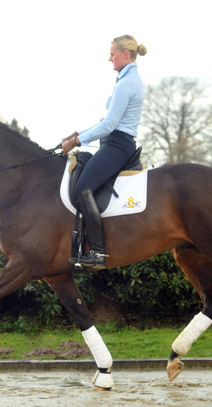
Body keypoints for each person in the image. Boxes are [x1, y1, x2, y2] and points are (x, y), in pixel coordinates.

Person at [62, 34, 147, 269]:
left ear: (125, 55)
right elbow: (106, 121)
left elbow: (109, 126)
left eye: (112, 54)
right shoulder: (126, 80)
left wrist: (78, 140)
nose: (109, 58)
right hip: (113, 142)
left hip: (118, 145)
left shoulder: (127, 84)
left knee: (83, 188)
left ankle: (98, 252)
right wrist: (78, 135)